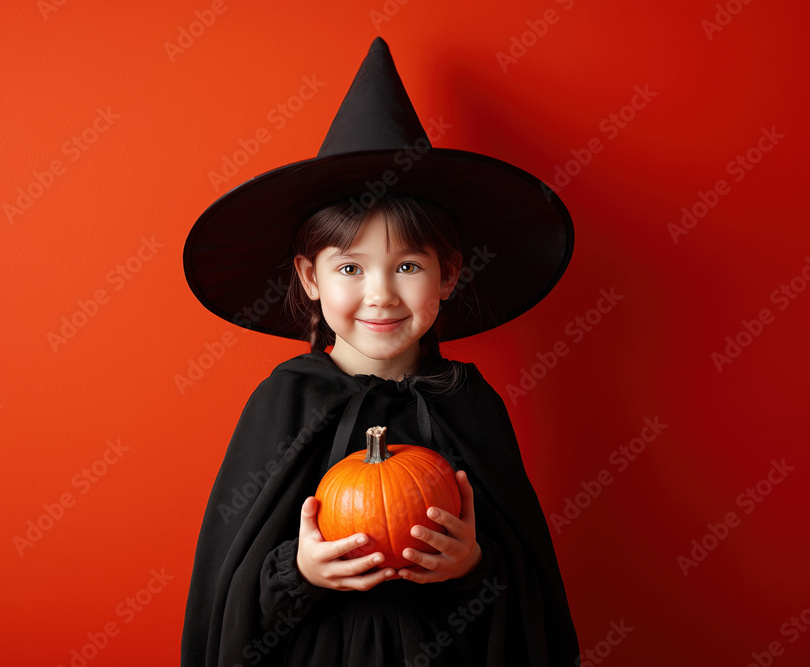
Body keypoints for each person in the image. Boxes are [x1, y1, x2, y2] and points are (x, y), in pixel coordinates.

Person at [182, 37, 579, 666]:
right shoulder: (284, 402)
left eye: (408, 265)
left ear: (448, 276)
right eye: (349, 268)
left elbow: (526, 594)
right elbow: (228, 594)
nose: (381, 294)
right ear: (310, 278)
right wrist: (300, 569)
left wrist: (471, 563)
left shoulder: (468, 402)